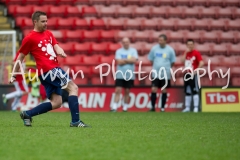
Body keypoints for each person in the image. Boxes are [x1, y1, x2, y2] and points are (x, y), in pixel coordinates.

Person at [10, 11, 90, 127]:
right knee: (73, 88)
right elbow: (20, 57)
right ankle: (75, 121)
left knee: (57, 102)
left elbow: (56, 46)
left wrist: (60, 51)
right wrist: (14, 74)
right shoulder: (29, 38)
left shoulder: (48, 34)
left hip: (47, 72)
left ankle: (27, 114)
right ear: (35, 22)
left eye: (46, 21)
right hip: (50, 69)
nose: (46, 23)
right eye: (43, 21)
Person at [148, 34, 176, 112]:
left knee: (164, 90)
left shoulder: (170, 50)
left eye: (161, 40)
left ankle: (162, 108)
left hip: (165, 74)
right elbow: (151, 59)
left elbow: (172, 62)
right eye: (159, 40)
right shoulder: (154, 49)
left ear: (165, 40)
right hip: (156, 73)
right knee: (154, 89)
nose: (159, 41)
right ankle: (153, 107)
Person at [111, 37, 138, 112]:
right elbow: (119, 62)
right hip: (120, 74)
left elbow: (134, 60)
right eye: (124, 42)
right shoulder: (119, 51)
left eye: (127, 42)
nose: (126, 43)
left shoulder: (133, 51)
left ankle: (125, 107)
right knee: (117, 90)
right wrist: (129, 60)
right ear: (122, 43)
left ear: (129, 42)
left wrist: (124, 60)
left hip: (130, 75)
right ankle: (114, 107)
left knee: (127, 91)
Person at [181, 39, 204, 113]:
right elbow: (182, 61)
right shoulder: (186, 53)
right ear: (186, 45)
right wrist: (185, 53)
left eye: (191, 44)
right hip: (187, 74)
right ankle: (187, 108)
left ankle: (196, 108)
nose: (190, 46)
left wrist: (195, 71)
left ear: (193, 45)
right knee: (187, 91)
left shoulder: (196, 53)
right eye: (188, 44)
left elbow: (201, 63)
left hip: (193, 74)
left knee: (194, 90)